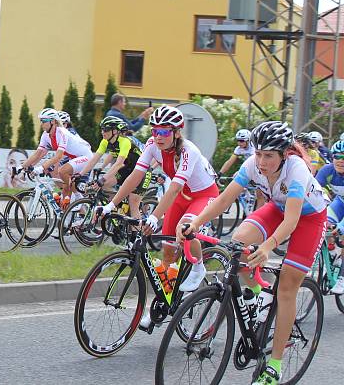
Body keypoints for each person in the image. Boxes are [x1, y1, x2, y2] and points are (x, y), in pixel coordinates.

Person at [178, 121, 327, 385]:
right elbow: (225, 199)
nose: (261, 161)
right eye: (258, 154)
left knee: (287, 287)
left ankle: (275, 365)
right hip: (277, 209)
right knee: (239, 242)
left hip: (308, 218)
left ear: (284, 154)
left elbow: (292, 222)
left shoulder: (297, 169)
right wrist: (196, 223)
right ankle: (259, 297)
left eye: (269, 155)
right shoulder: (252, 165)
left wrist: (268, 246)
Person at [100, 106, 218, 300]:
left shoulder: (189, 151)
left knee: (185, 228)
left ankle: (198, 267)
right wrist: (110, 205)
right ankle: (166, 300)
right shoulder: (152, 145)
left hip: (204, 195)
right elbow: (135, 176)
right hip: (182, 197)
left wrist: (155, 217)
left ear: (177, 132)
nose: (158, 136)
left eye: (164, 131)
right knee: (168, 251)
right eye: (155, 131)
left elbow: (174, 188)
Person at [21, 108, 92, 208]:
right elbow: (38, 154)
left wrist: (41, 168)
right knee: (64, 191)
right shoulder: (45, 135)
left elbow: (58, 156)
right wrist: (22, 167)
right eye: (41, 121)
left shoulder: (62, 132)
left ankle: (78, 198)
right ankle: (68, 217)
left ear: (53, 121)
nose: (41, 124)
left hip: (85, 157)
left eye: (44, 121)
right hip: (74, 159)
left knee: (62, 171)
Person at [79, 116, 145, 217]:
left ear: (115, 131)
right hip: (127, 168)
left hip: (141, 171)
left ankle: (137, 232)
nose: (102, 132)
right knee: (105, 186)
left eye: (105, 129)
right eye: (102, 129)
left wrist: (102, 179)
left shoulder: (125, 142)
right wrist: (80, 174)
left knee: (133, 203)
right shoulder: (106, 141)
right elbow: (94, 159)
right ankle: (117, 210)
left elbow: (118, 164)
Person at [315, 139, 344, 294]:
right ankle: (332, 252)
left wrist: (341, 227)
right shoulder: (327, 171)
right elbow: (313, 192)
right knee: (324, 224)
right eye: (337, 156)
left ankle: (342, 276)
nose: (340, 160)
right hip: (340, 203)